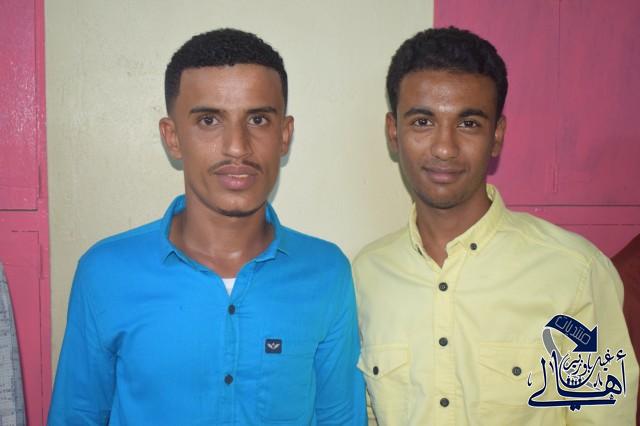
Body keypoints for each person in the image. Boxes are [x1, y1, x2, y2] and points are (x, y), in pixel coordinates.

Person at [49, 28, 364, 425]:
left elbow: (339, 417)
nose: (237, 146)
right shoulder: (106, 272)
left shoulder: (326, 272)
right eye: (209, 120)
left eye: (258, 119)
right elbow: (77, 415)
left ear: (284, 136)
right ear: (173, 137)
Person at [353, 27, 638, 425]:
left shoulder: (575, 272)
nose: (444, 148)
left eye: (468, 123)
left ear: (497, 135)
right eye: (423, 121)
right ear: (393, 132)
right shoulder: (364, 276)